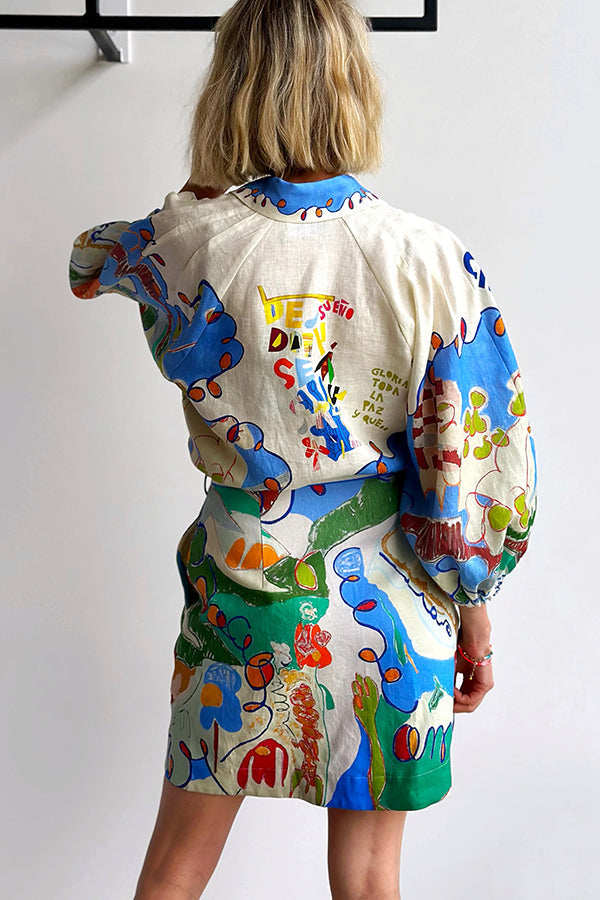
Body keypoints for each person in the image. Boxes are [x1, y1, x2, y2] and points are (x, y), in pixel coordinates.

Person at [68, 1, 538, 897]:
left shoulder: (189, 241)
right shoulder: (430, 258)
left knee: (174, 869)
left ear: (232, 86)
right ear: (354, 85)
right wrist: (475, 606)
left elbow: (89, 262)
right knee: (368, 878)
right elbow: (470, 461)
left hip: (240, 594)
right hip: (393, 608)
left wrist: (206, 190)